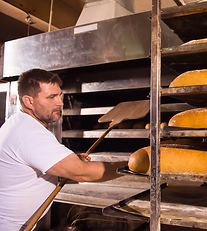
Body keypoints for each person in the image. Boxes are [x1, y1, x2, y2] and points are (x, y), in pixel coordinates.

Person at [0, 69, 125, 230]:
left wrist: (67, 162)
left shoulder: (17, 123)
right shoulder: (30, 133)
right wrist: (132, 167)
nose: (60, 102)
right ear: (28, 101)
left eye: (59, 95)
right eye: (51, 97)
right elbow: (82, 173)